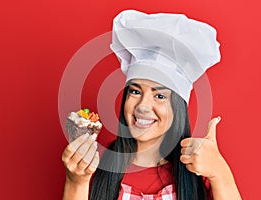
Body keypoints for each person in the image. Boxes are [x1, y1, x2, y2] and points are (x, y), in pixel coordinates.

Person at [62, 10, 242, 200]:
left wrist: (220, 172)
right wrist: (76, 182)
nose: (143, 106)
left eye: (160, 96)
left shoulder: (201, 170)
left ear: (178, 108)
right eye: (135, 91)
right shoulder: (92, 167)